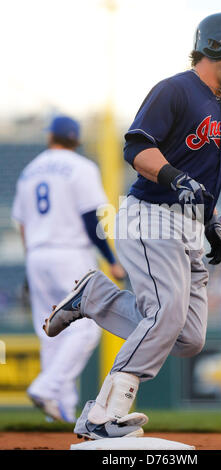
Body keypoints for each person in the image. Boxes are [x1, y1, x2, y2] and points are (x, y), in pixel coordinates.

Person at [43, 12, 221, 438]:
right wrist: (173, 177)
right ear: (216, 45)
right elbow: (136, 147)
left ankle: (93, 295)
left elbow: (204, 181)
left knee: (186, 338)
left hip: (186, 227)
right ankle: (102, 414)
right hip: (151, 216)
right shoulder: (176, 89)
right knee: (164, 314)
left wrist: (212, 220)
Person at [12, 115, 125, 422]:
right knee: (86, 328)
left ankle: (59, 410)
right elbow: (91, 220)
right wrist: (111, 259)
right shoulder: (81, 167)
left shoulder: (29, 171)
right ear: (76, 140)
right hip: (70, 254)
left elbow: (21, 223)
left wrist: (32, 260)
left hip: (37, 254)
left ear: (51, 137)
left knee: (49, 329)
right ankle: (48, 388)